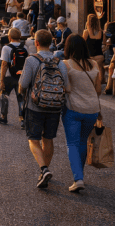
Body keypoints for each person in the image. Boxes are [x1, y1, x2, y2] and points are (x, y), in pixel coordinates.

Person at [18, 29, 69, 189]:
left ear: (37, 43)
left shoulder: (32, 60)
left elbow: (23, 85)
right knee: (48, 139)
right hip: (54, 107)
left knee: (33, 139)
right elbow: (66, 86)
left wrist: (23, 93)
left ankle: (43, 168)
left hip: (35, 107)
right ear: (52, 42)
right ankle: (44, 171)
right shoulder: (60, 62)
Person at [61, 34, 104, 192]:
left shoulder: (66, 64)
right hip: (92, 109)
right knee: (82, 142)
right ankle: (80, 174)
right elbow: (98, 90)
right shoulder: (94, 64)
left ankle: (78, 178)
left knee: (72, 143)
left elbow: (66, 88)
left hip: (73, 108)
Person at [0, 27, 28, 128]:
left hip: (9, 77)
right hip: (21, 76)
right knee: (21, 98)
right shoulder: (25, 48)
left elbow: (4, 64)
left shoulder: (6, 48)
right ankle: (23, 119)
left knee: (4, 96)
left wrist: (2, 80)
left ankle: (3, 116)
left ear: (9, 37)